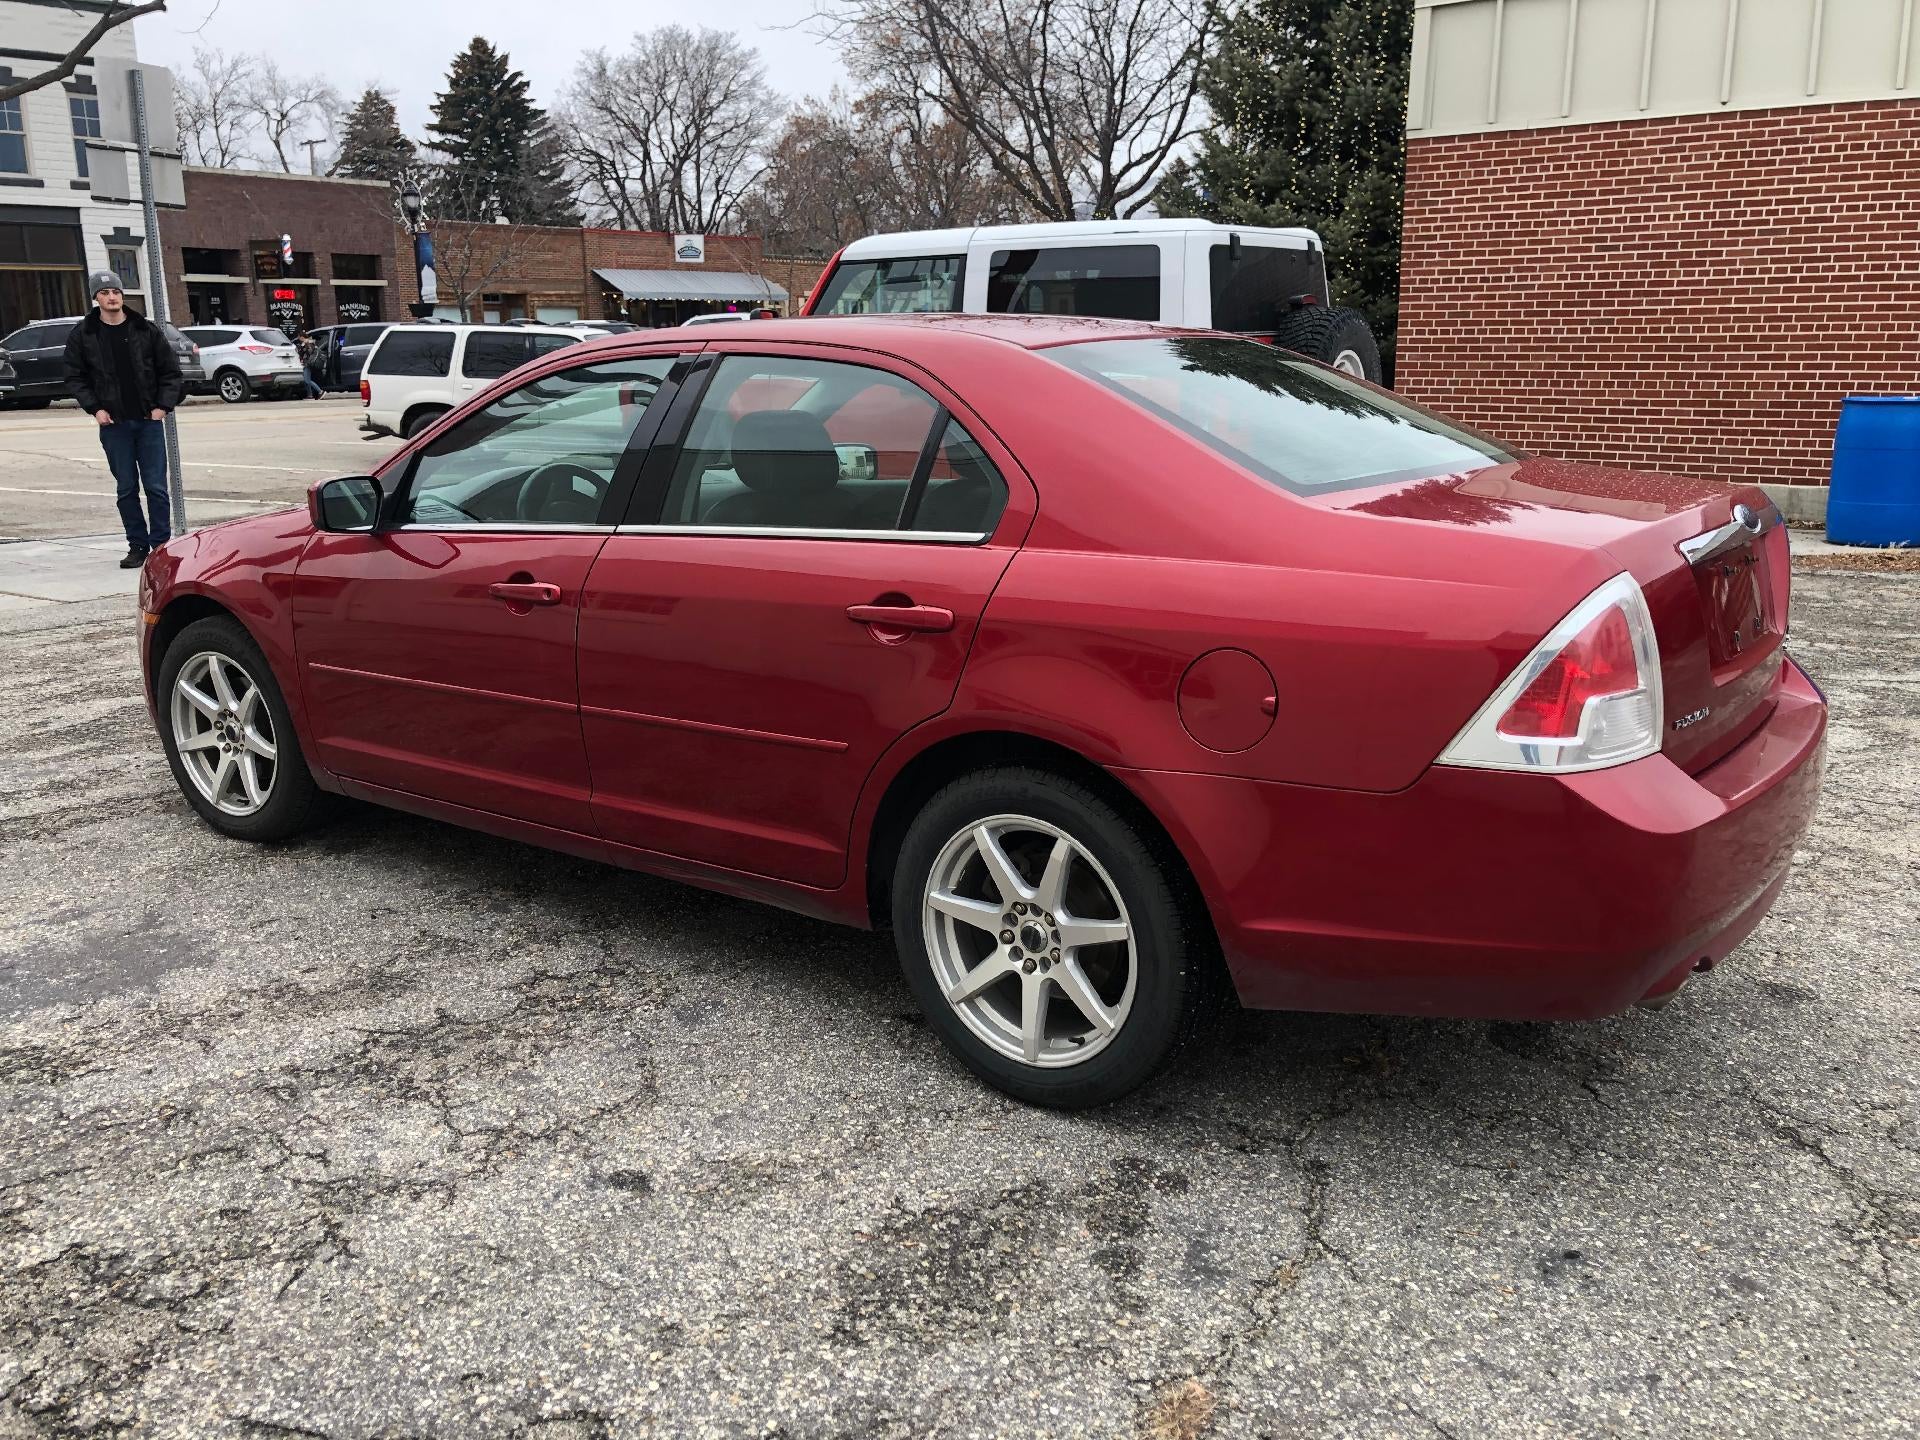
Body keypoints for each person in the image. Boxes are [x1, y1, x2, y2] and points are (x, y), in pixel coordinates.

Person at [62, 273, 183, 568]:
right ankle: (138, 546)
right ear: (96, 298)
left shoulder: (145, 329)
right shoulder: (84, 334)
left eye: (116, 291)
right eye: (105, 292)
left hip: (148, 421)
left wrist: (162, 407)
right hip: (114, 425)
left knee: (155, 487)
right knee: (126, 488)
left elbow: (170, 372)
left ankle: (161, 547)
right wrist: (95, 408)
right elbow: (75, 377)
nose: (112, 297)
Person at [296, 329, 326, 400]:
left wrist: (302, 350)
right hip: (307, 363)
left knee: (307, 380)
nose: (298, 339)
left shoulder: (307, 343)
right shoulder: (309, 342)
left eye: (299, 337)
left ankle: (320, 391)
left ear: (302, 337)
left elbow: (309, 352)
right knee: (307, 380)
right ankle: (310, 395)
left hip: (308, 364)